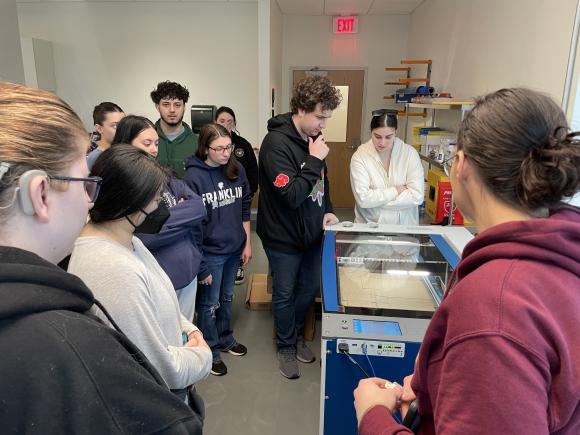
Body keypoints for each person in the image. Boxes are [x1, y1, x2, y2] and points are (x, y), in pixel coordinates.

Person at [354, 88, 580, 434]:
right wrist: (436, 383)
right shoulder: (560, 259)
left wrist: (373, 417)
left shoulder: (495, 307)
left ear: (461, 165)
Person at [0, 81, 203, 433]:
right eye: (84, 183)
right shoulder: (59, 337)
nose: (91, 200)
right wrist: (200, 354)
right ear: (40, 193)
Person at [68, 144, 212, 398]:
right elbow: (161, 370)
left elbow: (164, 301)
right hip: (162, 395)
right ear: (131, 203)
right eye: (157, 200)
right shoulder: (112, 269)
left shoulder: (128, 237)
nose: (162, 208)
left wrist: (191, 331)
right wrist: (203, 355)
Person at [257, 75, 342, 379]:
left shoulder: (313, 140)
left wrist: (328, 209)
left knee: (308, 289)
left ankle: (292, 335)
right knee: (284, 293)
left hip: (312, 232)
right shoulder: (274, 144)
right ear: (301, 110)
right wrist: (315, 160)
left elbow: (322, 181)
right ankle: (285, 347)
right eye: (320, 117)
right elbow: (292, 195)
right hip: (282, 236)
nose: (323, 124)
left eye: (327, 118)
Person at [113, 115, 210, 321]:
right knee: (167, 342)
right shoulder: (121, 186)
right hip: (159, 282)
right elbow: (144, 237)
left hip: (188, 275)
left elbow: (198, 206)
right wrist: (183, 219)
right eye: (147, 143)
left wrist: (160, 221)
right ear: (125, 144)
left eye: (156, 143)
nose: (154, 150)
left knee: (186, 335)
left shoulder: (164, 176)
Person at [183, 123, 251, 376]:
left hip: (234, 248)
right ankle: (210, 349)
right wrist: (201, 267)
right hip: (210, 253)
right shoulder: (194, 178)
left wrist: (247, 240)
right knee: (208, 303)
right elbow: (191, 227)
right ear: (205, 148)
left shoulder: (235, 167)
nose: (226, 153)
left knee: (227, 297)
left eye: (229, 147)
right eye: (219, 149)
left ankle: (225, 337)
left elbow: (245, 203)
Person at [350, 109, 424, 225]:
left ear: (396, 133)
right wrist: (396, 190)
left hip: (404, 231)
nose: (382, 143)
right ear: (371, 132)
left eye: (388, 137)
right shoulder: (360, 156)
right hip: (369, 229)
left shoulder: (409, 154)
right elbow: (363, 199)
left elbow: (417, 196)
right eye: (377, 136)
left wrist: (376, 201)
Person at [215, 106, 259, 285]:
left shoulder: (243, 145)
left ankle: (238, 265)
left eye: (230, 121)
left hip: (240, 198)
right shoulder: (209, 146)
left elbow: (252, 170)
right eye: (222, 121)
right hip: (218, 198)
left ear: (234, 124)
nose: (226, 125)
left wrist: (252, 190)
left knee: (240, 230)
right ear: (215, 123)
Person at [151, 80, 197, 177]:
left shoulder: (197, 142)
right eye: (166, 104)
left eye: (177, 105)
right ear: (157, 107)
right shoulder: (146, 139)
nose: (172, 110)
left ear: (184, 107)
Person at [86, 101, 124, 168]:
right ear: (99, 128)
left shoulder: (125, 153)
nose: (122, 129)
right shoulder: (96, 158)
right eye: (115, 126)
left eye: (124, 124)